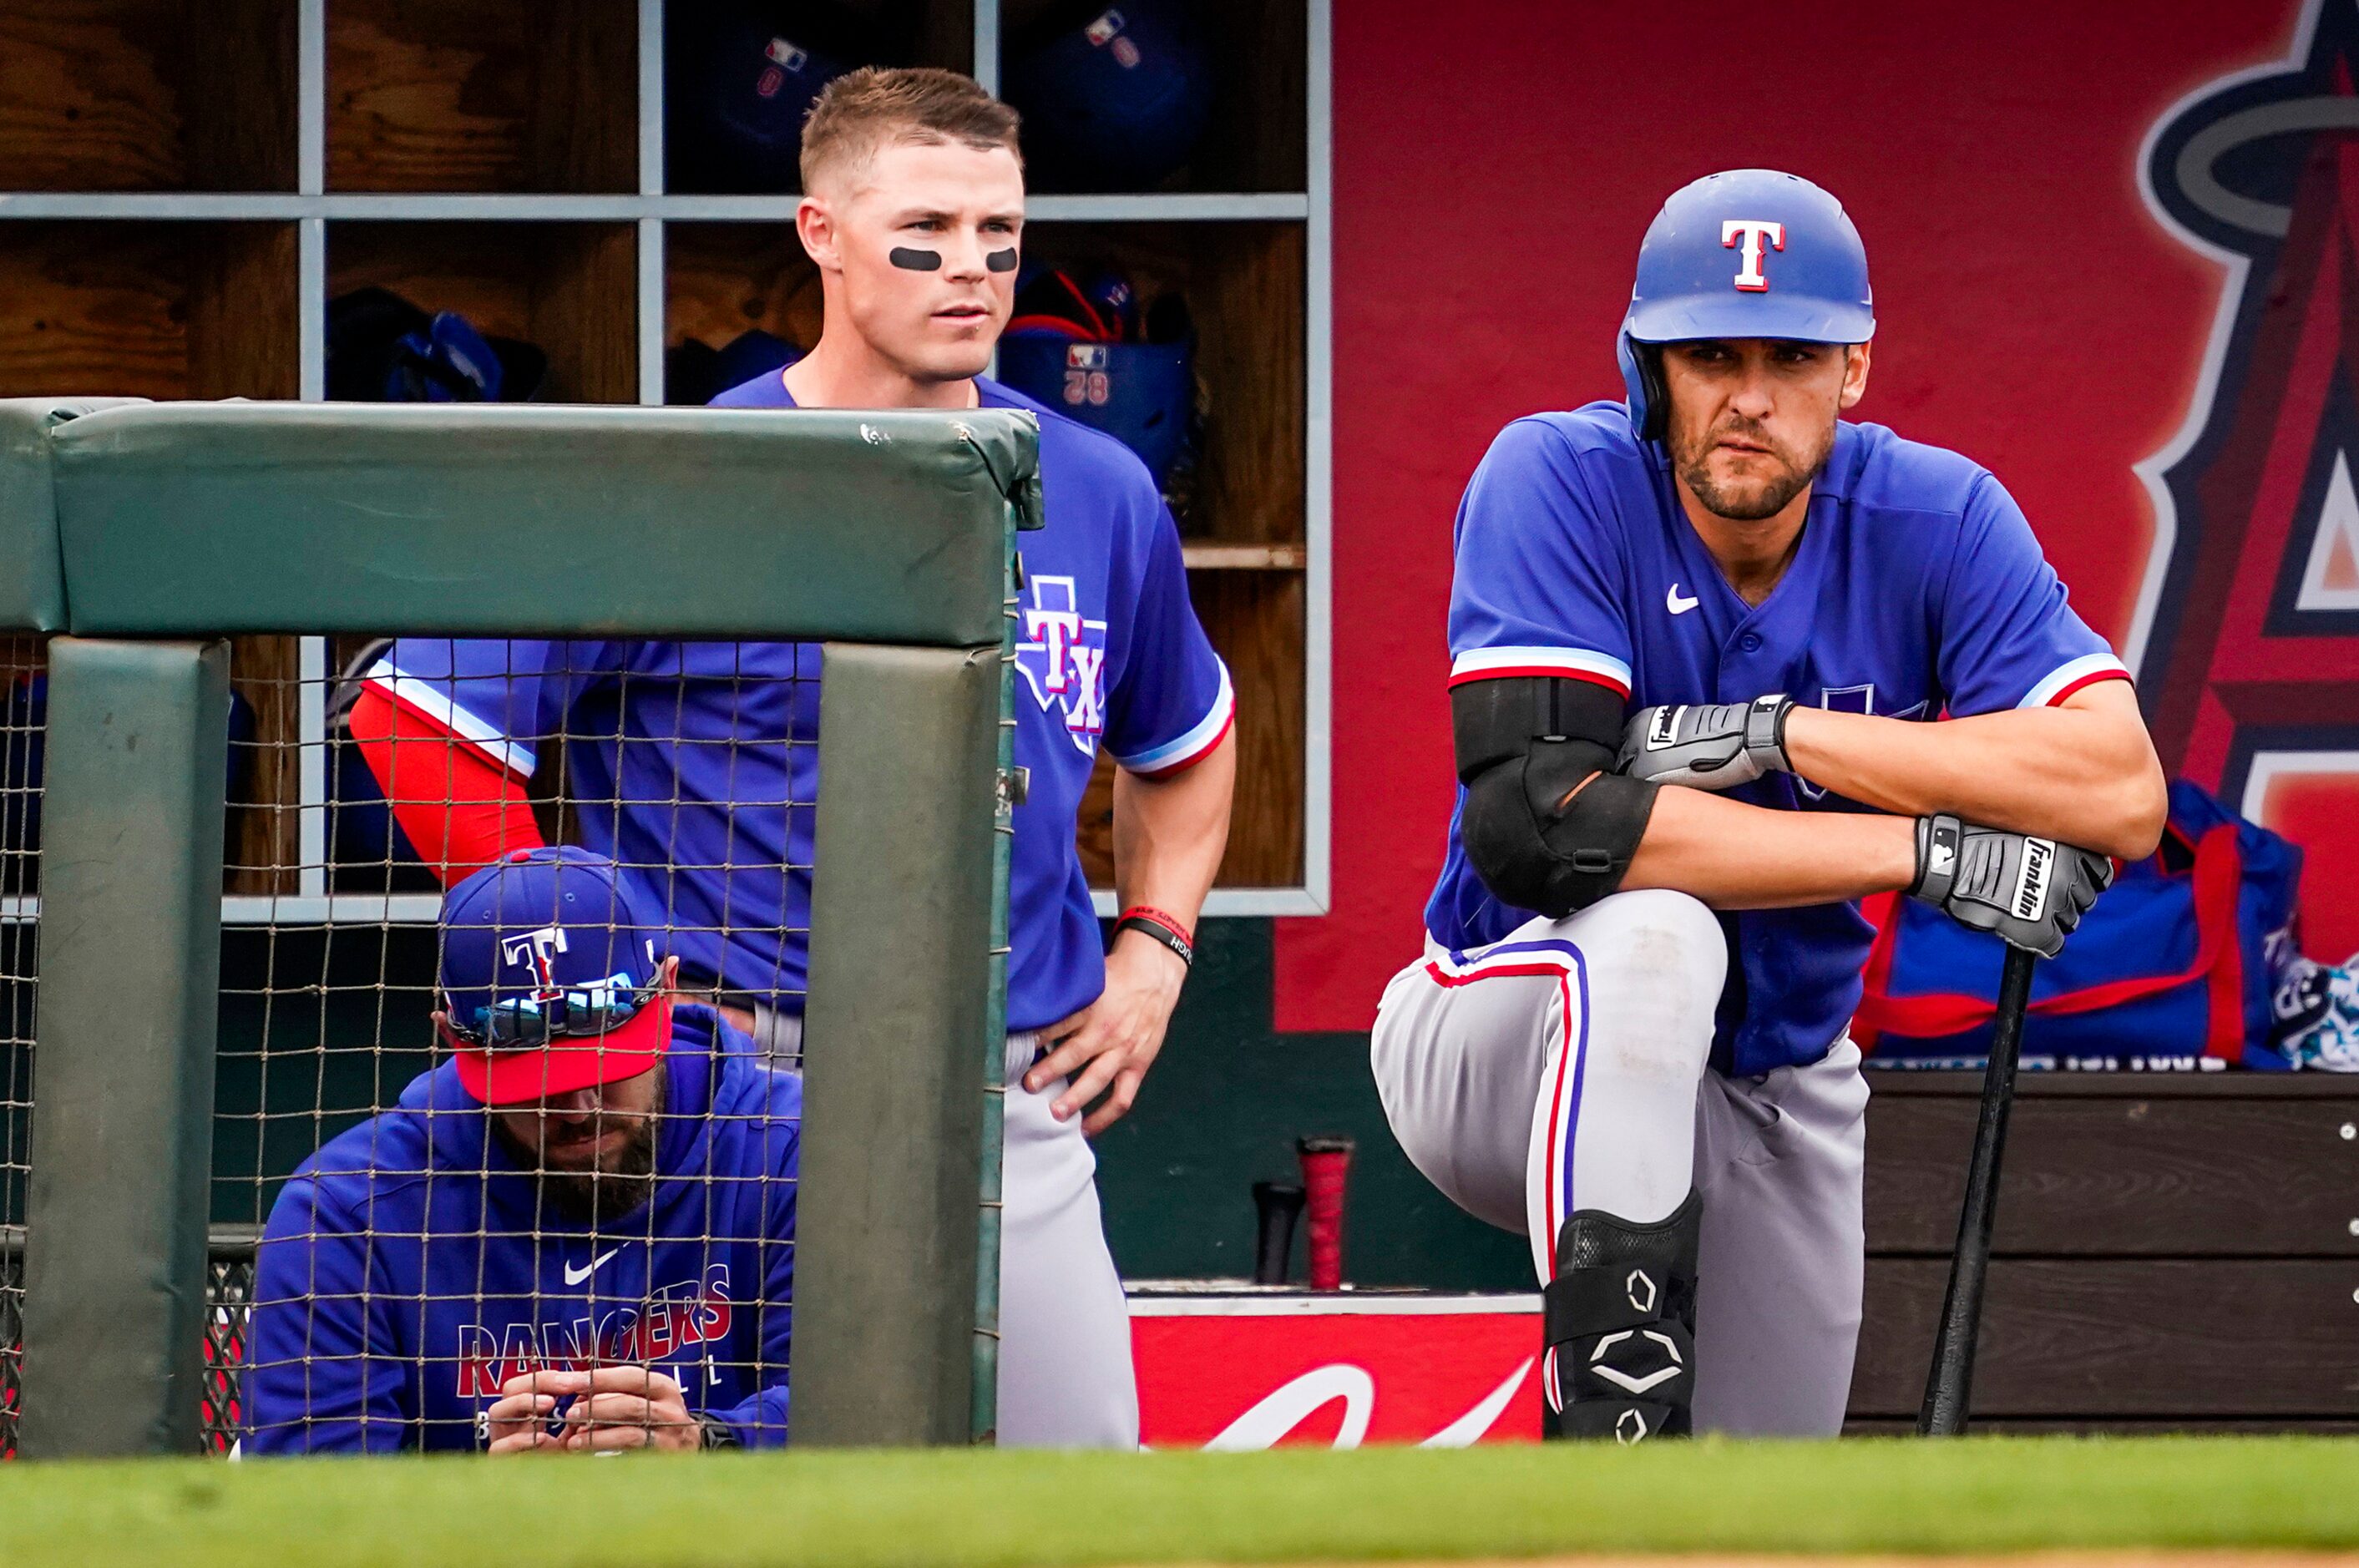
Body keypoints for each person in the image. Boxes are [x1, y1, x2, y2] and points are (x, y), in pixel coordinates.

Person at [344, 68, 1235, 1448]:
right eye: (924, 230)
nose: (973, 268)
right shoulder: (695, 477)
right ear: (820, 231)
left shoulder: (1100, 484)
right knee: (744, 1493)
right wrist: (592, 974)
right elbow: (416, 715)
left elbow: (1187, 737)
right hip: (739, 1083)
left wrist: (1159, 944)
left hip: (1016, 1082)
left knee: (1081, 1499)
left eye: (1000, 234)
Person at [1371, 169, 2168, 1442]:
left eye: (1791, 355)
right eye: (1708, 354)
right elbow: (1541, 820)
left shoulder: (1938, 517)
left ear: (1852, 370)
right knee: (1654, 929)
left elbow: (2120, 787)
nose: (1749, 396)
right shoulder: (1558, 477)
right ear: (1648, 366)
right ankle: (1607, 1447)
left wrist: (1789, 734)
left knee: (1771, 1501)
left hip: (1780, 1070)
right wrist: (1919, 849)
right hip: (1497, 1030)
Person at [245, 847, 797, 1454]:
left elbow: (870, 1416)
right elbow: (314, 1501)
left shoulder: (792, 1149)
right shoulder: (345, 1212)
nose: (581, 1109)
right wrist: (485, 1509)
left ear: (667, 993)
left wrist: (711, 1447)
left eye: (610, 1065)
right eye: (540, 1086)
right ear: (454, 1039)